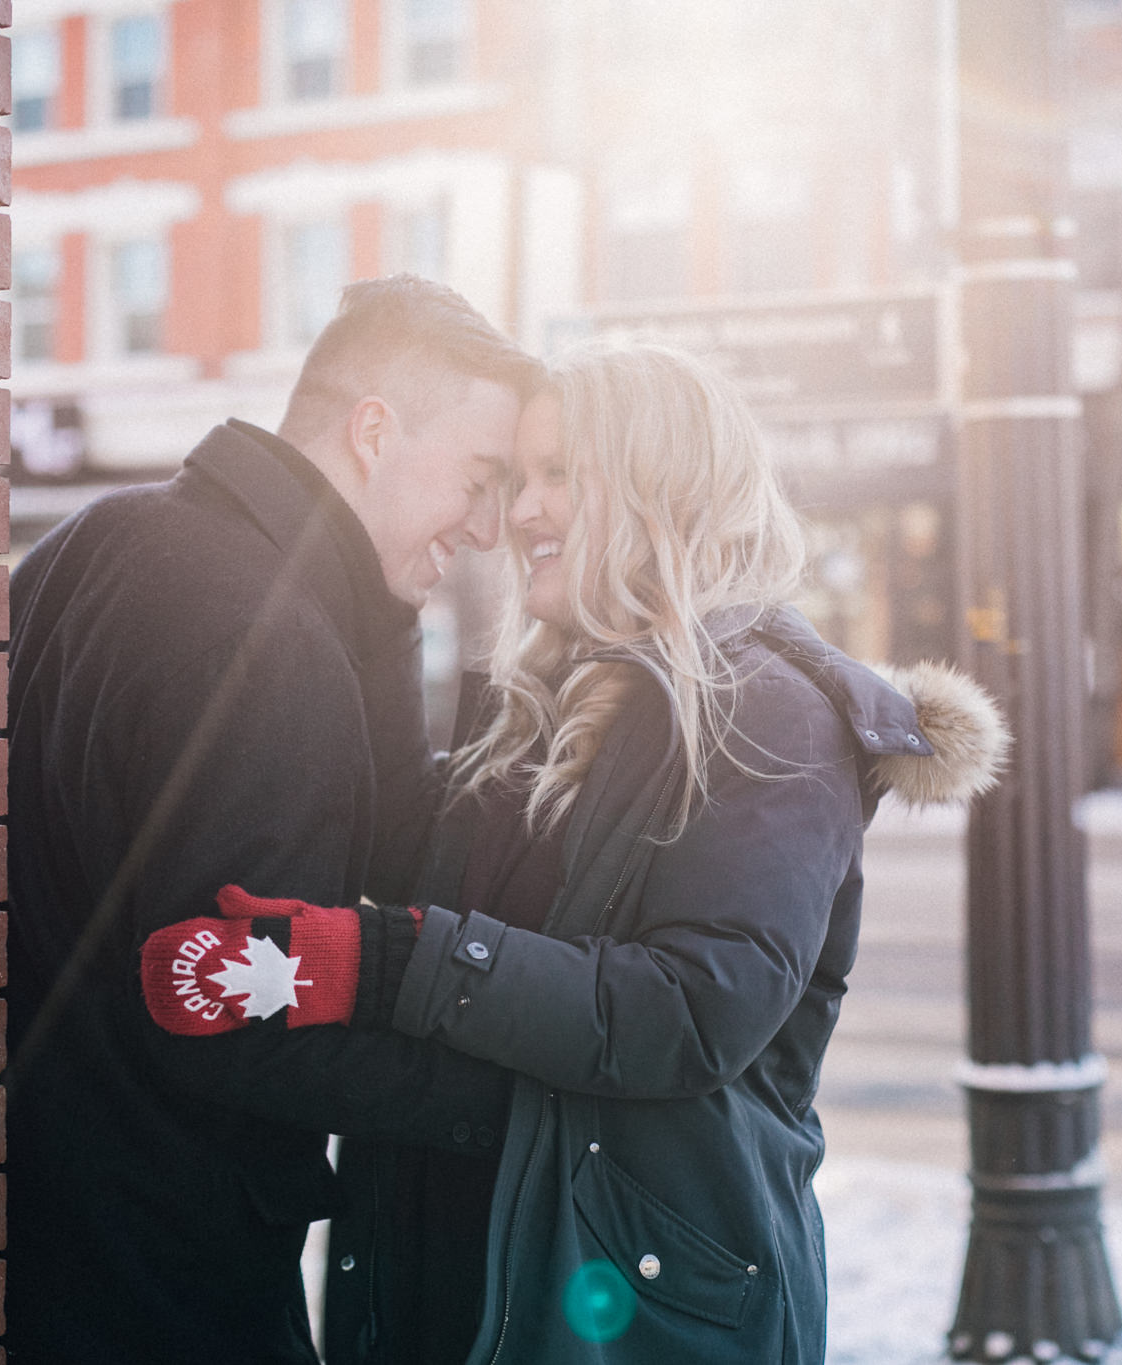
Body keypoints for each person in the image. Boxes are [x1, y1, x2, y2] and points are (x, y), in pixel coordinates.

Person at [153, 340, 1008, 1362]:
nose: (518, 514)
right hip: (456, 1267)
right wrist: (374, 585)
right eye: (518, 478)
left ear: (660, 487)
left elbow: (692, 1010)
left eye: (559, 476)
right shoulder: (537, 702)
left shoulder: (769, 713)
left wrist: (381, 964)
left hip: (632, 1308)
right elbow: (388, 839)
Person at [3, 276, 545, 1363]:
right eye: (479, 480)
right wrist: (513, 1101)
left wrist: (380, 608)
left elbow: (375, 847)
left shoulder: (92, 543)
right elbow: (237, 1010)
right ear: (374, 431)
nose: (487, 528)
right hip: (170, 1270)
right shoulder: (265, 637)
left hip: (32, 1224)